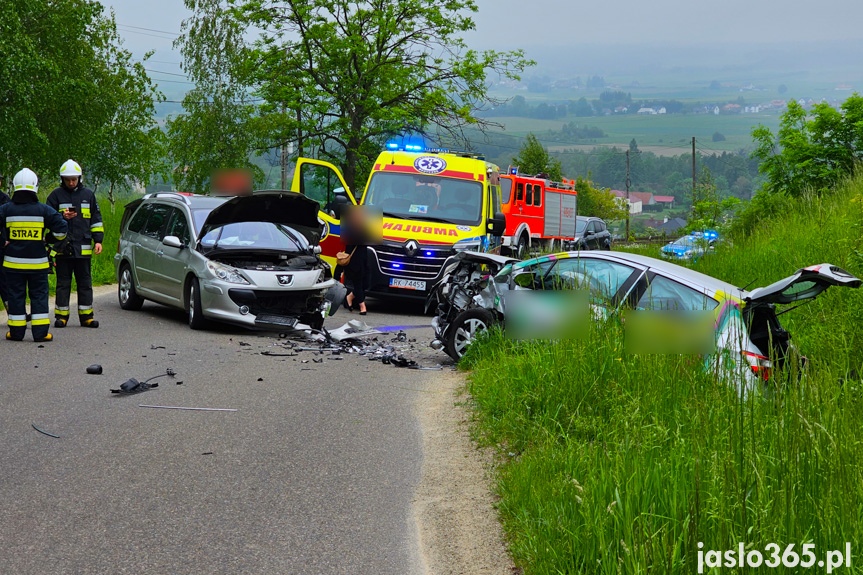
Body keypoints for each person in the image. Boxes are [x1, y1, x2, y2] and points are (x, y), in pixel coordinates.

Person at [0, 168, 67, 342]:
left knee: (15, 297)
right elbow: (62, 230)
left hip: (13, 265)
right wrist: (47, 239)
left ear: (15, 186)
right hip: (38, 265)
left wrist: (3, 242)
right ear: (35, 186)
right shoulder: (44, 210)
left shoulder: (6, 209)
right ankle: (41, 334)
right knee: (39, 296)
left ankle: (16, 333)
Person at [46, 159, 104, 328]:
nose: (71, 182)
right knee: (63, 283)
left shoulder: (88, 196)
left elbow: (96, 219)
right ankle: (61, 317)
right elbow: (47, 220)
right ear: (62, 179)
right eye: (68, 179)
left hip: (83, 248)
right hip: (63, 249)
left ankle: (87, 317)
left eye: (74, 179)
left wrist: (98, 240)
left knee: (85, 283)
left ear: (80, 178)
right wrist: (61, 217)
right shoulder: (55, 196)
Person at [0, 172, 9, 309]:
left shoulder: (4, 198)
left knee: (5, 281)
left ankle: (13, 313)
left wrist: (7, 239)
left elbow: (9, 221)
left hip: (2, 246)